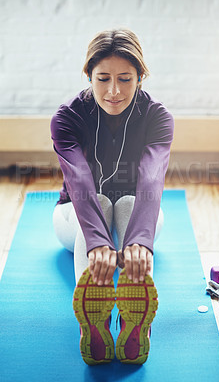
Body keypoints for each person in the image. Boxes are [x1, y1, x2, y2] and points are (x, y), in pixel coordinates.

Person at [51, 28, 174, 366]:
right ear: (88, 75)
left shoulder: (158, 117)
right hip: (73, 217)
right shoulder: (67, 118)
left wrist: (140, 240)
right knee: (103, 202)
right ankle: (95, 319)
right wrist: (96, 242)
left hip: (138, 217)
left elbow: (151, 178)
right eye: (103, 78)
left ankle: (137, 323)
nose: (114, 91)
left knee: (129, 201)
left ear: (140, 77)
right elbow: (79, 182)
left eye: (125, 79)